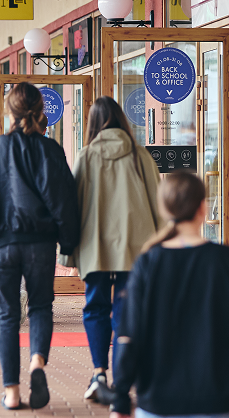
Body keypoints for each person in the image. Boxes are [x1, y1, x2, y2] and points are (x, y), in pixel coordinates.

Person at [0, 82, 80, 411]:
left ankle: (11, 391)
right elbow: (64, 198)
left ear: (8, 112)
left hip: (0, 245)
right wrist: (69, 243)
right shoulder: (49, 149)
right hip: (39, 243)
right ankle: (37, 364)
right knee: (39, 307)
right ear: (41, 111)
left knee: (7, 315)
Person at [110, 171, 229, 418]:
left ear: (165, 211)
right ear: (202, 208)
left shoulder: (147, 263)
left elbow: (129, 334)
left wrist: (120, 398)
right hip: (217, 399)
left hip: (158, 400)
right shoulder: (225, 261)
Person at [62, 96, 161, 404]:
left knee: (95, 308)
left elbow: (73, 207)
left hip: (96, 249)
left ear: (92, 122)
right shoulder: (140, 154)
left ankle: (99, 373)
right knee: (126, 313)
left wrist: (69, 254)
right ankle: (122, 380)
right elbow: (158, 202)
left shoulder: (87, 155)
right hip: (137, 247)